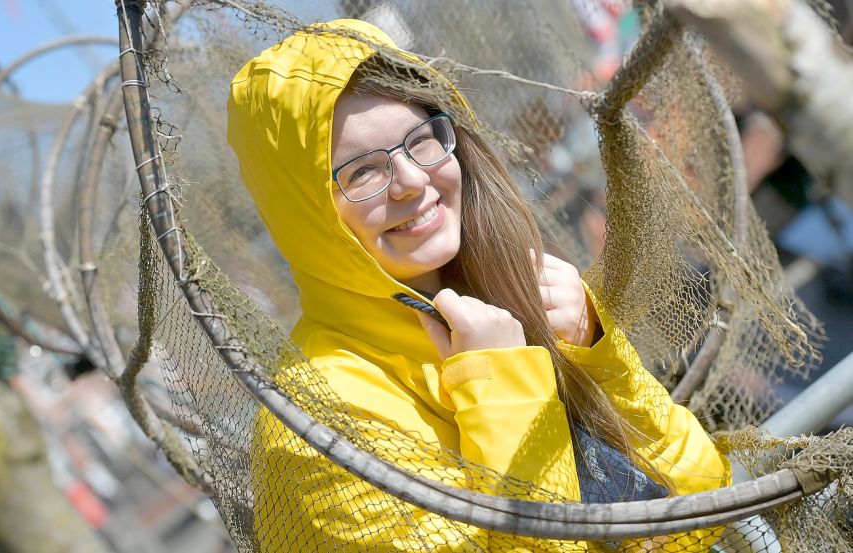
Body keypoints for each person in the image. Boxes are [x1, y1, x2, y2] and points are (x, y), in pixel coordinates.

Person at [227, 19, 731, 551]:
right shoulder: (320, 425)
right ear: (308, 216)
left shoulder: (514, 289)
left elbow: (704, 496)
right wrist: (502, 385)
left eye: (421, 141)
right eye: (363, 173)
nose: (414, 180)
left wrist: (599, 351)